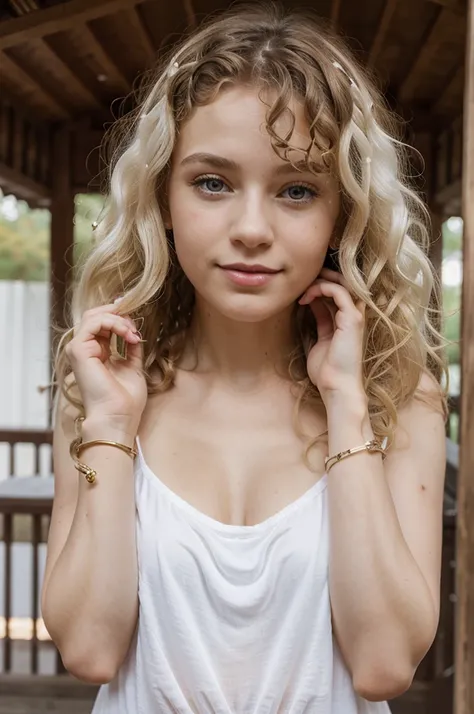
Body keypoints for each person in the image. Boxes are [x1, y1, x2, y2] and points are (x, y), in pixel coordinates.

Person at [41, 2, 450, 712]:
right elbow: (90, 649)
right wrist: (110, 425)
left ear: (341, 214)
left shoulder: (400, 402)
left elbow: (384, 665)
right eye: (213, 183)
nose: (252, 229)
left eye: (296, 190)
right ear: (162, 197)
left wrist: (348, 408)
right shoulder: (100, 397)